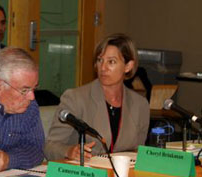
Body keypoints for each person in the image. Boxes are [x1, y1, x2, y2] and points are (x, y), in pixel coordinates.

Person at [44, 33, 150, 161]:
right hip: (86, 175)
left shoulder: (140, 104)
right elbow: (50, 147)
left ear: (128, 66)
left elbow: (138, 151)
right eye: (100, 60)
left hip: (123, 175)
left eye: (111, 62)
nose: (103, 68)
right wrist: (69, 151)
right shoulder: (75, 98)